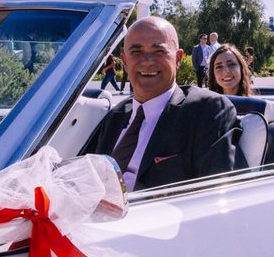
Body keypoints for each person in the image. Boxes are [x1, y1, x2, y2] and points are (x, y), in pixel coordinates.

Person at [93, 17, 237, 191]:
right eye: (136, 51)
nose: (147, 60)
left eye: (159, 51)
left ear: (178, 58)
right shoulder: (115, 117)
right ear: (124, 60)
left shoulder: (207, 111)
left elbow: (213, 196)